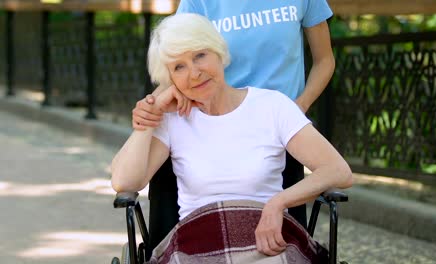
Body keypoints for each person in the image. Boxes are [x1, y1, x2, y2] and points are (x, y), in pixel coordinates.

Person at [112, 13, 352, 263]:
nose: (194, 73)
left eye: (200, 55)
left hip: (266, 241)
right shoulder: (173, 120)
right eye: (179, 67)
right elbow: (124, 182)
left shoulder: (272, 107)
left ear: (218, 52)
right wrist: (151, 116)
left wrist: (278, 203)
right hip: (197, 245)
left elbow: (338, 171)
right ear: (169, 79)